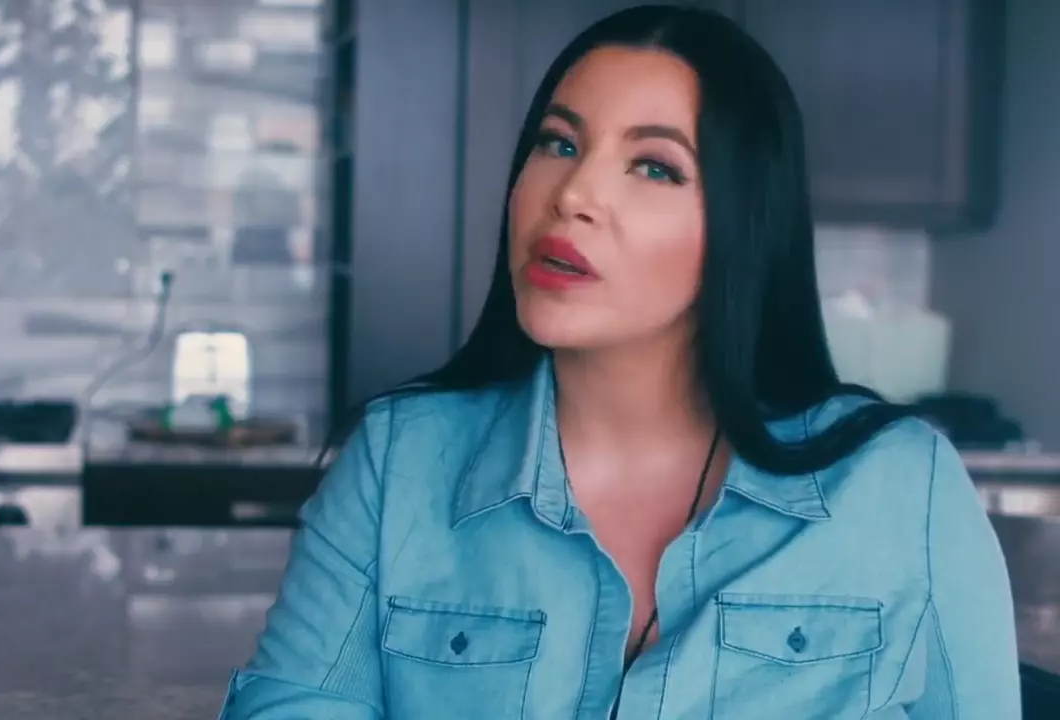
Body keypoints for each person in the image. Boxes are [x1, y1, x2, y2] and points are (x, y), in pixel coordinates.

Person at [219, 5, 1020, 719]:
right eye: (559, 143)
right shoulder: (398, 463)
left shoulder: (900, 488)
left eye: (655, 166)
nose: (573, 193)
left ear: (743, 224)